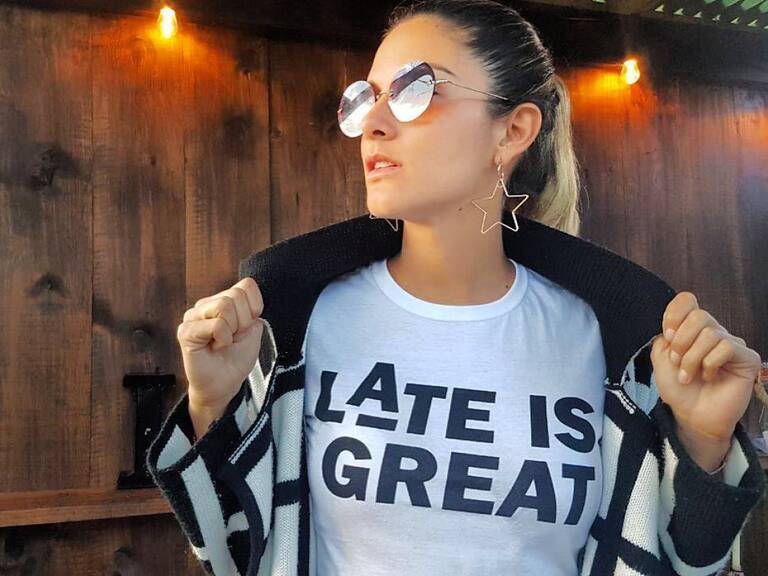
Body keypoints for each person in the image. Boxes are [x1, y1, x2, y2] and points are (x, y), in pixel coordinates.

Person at [147, 1, 767, 575]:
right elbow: (229, 552)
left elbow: (681, 564)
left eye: (415, 90)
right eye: (365, 99)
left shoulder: (610, 342)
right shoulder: (300, 324)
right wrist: (211, 407)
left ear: (513, 130)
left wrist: (704, 442)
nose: (373, 125)